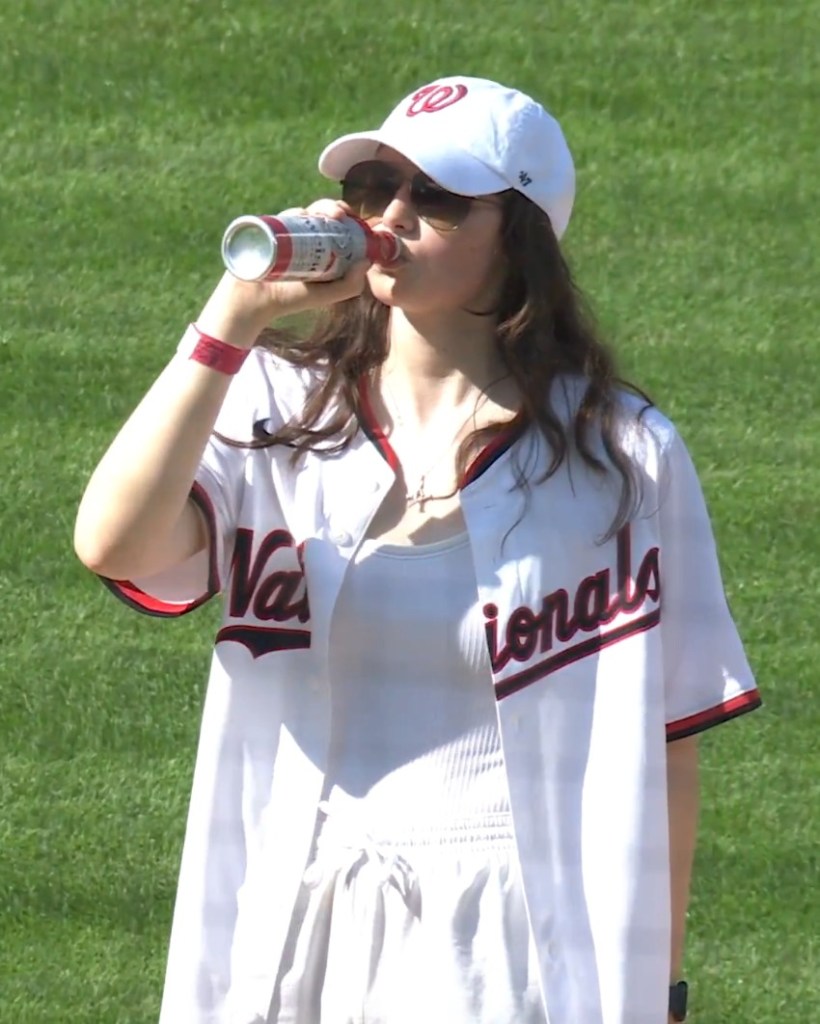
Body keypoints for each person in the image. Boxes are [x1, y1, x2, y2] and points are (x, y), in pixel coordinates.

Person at [74, 76, 761, 1024]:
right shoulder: (275, 405)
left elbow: (670, 740)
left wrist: (662, 988)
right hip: (297, 911)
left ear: (521, 234)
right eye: (373, 188)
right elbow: (112, 544)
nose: (392, 216)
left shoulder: (623, 455)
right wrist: (229, 322)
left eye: (437, 197)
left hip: (505, 936)